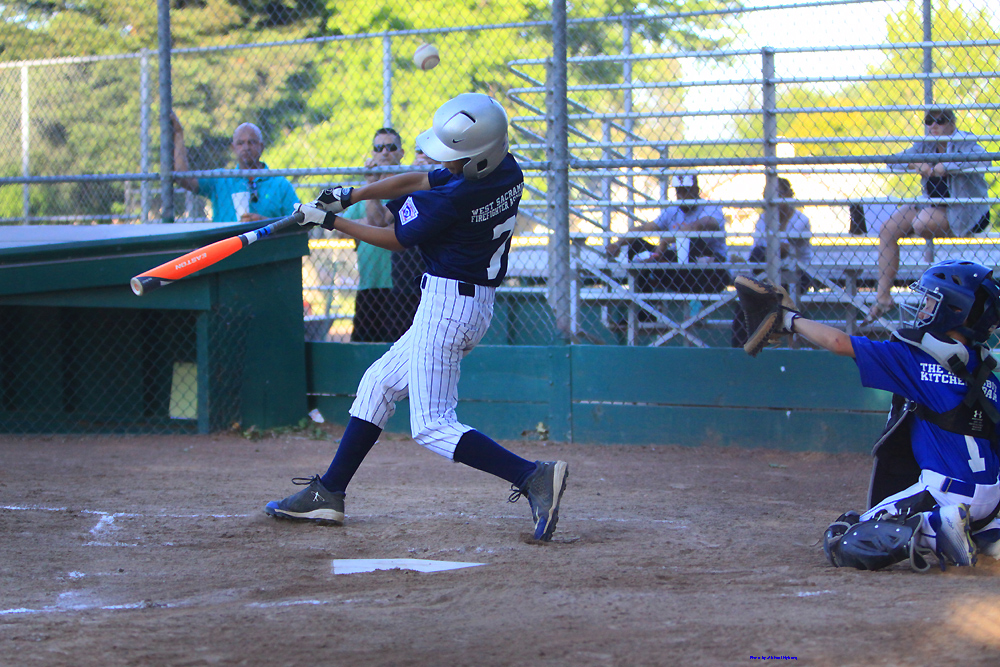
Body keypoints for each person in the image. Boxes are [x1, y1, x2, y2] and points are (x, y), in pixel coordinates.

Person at [264, 93, 569, 542]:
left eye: (453, 156)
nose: (444, 162)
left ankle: (532, 476)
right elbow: (421, 178)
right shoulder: (506, 169)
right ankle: (329, 492)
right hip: (467, 303)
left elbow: (393, 238)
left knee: (431, 425)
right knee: (378, 384)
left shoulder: (453, 200)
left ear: (478, 157)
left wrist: (330, 222)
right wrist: (352, 194)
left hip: (447, 309)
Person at [767, 259, 1000, 571]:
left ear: (956, 311)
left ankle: (937, 529)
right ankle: (989, 534)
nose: (923, 309)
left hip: (945, 493)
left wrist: (789, 320)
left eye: (931, 302)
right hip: (992, 498)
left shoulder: (914, 358)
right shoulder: (988, 376)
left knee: (845, 539)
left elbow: (838, 342)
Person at [869, 108, 991, 321]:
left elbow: (984, 159)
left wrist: (949, 165)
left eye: (940, 121)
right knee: (887, 228)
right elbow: (893, 160)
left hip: (965, 211)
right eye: (929, 121)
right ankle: (883, 297)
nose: (934, 125)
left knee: (920, 222)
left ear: (952, 123)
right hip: (931, 206)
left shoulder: (964, 140)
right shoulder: (925, 144)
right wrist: (917, 163)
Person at [606, 173, 729, 294]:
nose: (682, 196)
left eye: (686, 191)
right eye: (678, 192)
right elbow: (645, 228)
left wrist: (666, 241)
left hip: (708, 270)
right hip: (675, 264)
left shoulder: (710, 207)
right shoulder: (673, 210)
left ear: (696, 190)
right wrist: (618, 243)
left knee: (693, 241)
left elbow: (701, 225)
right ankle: (644, 301)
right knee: (636, 243)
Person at [170, 111, 299, 223]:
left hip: (268, 242)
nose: (246, 147)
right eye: (240, 143)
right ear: (233, 148)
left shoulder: (280, 184)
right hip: (228, 242)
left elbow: (300, 222)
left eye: (252, 142)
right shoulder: (221, 179)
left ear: (261, 146)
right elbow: (183, 178)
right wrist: (179, 134)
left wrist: (264, 222)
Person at [340, 128, 406, 343]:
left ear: (401, 153)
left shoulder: (408, 186)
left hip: (399, 287)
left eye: (391, 147)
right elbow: (340, 231)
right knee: (362, 345)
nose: (385, 152)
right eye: (379, 148)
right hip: (369, 284)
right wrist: (367, 224)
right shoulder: (366, 191)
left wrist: (363, 225)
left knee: (396, 345)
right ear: (373, 153)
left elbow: (379, 222)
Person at [732, 178, 813, 347]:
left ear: (789, 195)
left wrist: (770, 248)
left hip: (797, 275)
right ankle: (741, 350)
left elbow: (783, 250)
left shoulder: (801, 220)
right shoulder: (763, 218)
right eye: (767, 195)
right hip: (767, 275)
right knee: (744, 302)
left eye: (778, 194)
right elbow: (758, 252)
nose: (772, 199)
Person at [385, 149, 440, 340]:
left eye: (429, 152)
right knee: (401, 332)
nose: (424, 157)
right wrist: (415, 180)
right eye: (419, 152)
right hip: (405, 277)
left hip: (436, 276)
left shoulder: (450, 180)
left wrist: (429, 179)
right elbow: (386, 218)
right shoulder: (408, 182)